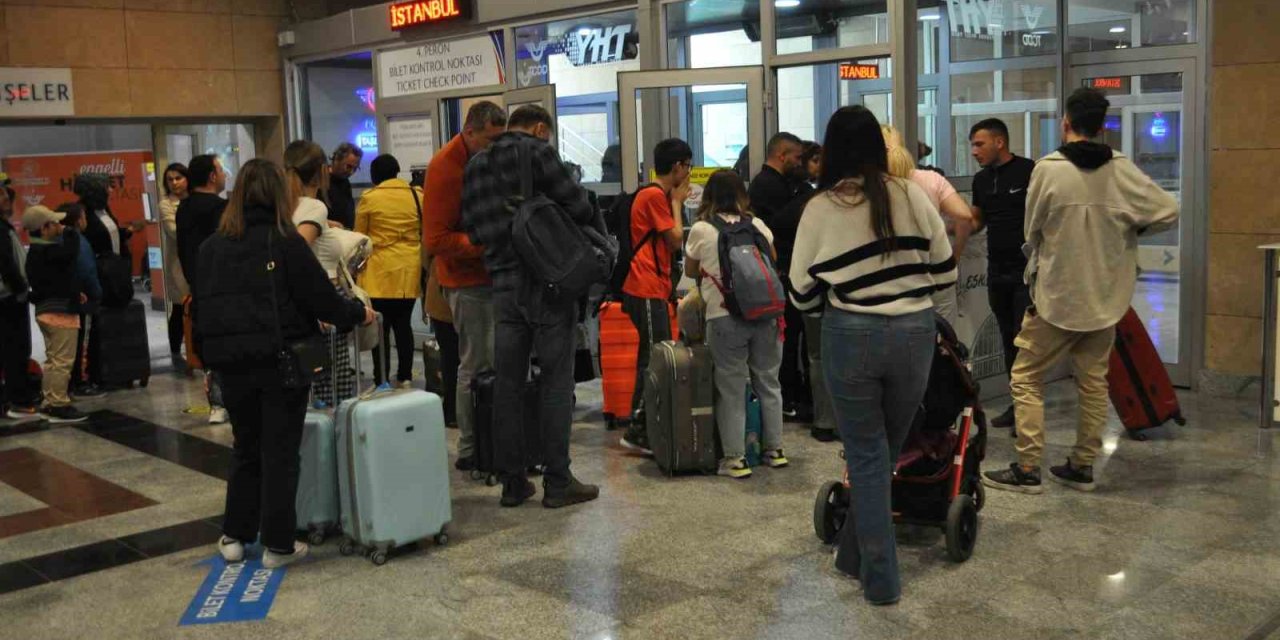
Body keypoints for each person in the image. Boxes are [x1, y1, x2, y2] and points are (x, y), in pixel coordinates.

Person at [789, 106, 956, 605]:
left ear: (832, 149)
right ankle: (850, 554)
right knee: (884, 452)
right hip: (914, 334)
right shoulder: (913, 194)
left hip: (852, 334)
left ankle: (882, 579)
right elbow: (945, 271)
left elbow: (800, 293)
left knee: (865, 455)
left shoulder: (821, 208)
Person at [983, 88, 1179, 494]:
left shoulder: (1049, 169)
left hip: (1057, 296)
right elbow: (1167, 210)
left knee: (1025, 376)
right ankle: (1083, 464)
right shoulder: (1121, 169)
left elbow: (1032, 229)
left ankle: (1028, 467)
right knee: (1093, 382)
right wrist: (1128, 228)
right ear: (1102, 127)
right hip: (1105, 298)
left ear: (1066, 123)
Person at [194, 158, 373, 569]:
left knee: (246, 448)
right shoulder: (285, 241)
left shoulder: (212, 246)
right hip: (281, 362)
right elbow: (320, 300)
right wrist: (355, 313)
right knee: (279, 451)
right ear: (280, 194)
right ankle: (278, 545)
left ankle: (234, 536)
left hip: (230, 362)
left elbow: (203, 308)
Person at [460, 104, 602, 508]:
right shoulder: (538, 152)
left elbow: (472, 229)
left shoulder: (475, 165)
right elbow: (580, 207)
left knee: (508, 383)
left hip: (501, 286)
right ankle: (558, 482)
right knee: (556, 382)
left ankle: (512, 482)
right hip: (546, 285)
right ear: (540, 129)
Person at [684, 170, 788, 478]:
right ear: (742, 195)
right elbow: (772, 259)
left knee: (731, 387)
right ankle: (775, 450)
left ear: (708, 197)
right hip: (767, 314)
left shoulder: (702, 229)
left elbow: (691, 270)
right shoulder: (756, 225)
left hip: (725, 315)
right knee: (769, 382)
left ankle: (735, 459)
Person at [422, 101, 508, 471]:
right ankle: (471, 449)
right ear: (470, 132)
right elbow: (436, 240)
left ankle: (494, 443)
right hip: (467, 282)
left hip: (492, 277)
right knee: (474, 365)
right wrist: (486, 245)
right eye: (489, 140)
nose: (495, 148)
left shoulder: (484, 159)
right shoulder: (445, 168)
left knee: (492, 364)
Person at [617, 138, 691, 454]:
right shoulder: (653, 196)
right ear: (677, 166)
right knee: (654, 358)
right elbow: (675, 240)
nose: (688, 174)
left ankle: (642, 424)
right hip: (644, 285)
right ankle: (639, 429)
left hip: (652, 286)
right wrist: (677, 202)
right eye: (687, 167)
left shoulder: (653, 194)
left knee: (650, 356)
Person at [969, 118, 1035, 431]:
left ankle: (1028, 407)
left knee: (1026, 342)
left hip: (1027, 273)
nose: (974, 151)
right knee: (1008, 339)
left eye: (979, 144)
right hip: (997, 271)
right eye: (972, 145)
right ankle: (1016, 403)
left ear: (1000, 142)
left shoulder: (1029, 171)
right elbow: (976, 221)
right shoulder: (981, 181)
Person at [884, 130, 975, 324]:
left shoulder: (874, 185)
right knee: (943, 341)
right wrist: (954, 256)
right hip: (936, 273)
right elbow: (965, 216)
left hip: (893, 281)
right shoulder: (931, 179)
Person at [748, 132, 808, 422]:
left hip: (788, 270)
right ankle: (786, 396)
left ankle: (792, 394)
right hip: (780, 272)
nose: (801, 163)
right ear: (782, 155)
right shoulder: (766, 186)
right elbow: (778, 225)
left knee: (792, 336)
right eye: (797, 157)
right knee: (785, 337)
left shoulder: (785, 185)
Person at [356, 154, 423, 389]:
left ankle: (381, 377)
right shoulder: (416, 195)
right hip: (408, 269)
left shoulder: (369, 198)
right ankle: (405, 376)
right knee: (403, 325)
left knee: (380, 328)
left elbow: (361, 236)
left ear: (375, 175)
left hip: (379, 270)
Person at [74, 173, 143, 397]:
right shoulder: (82, 213)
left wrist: (127, 232)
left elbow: (111, 235)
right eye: (106, 186)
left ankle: (118, 369)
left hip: (115, 272)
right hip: (98, 275)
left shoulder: (104, 210)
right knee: (92, 328)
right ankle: (91, 375)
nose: (110, 190)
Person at [22, 205, 92, 424]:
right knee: (62, 361)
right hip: (59, 314)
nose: (60, 227)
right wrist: (70, 233)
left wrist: (73, 292)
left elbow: (57, 279)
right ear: (44, 228)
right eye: (55, 224)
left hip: (47, 312)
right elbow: (70, 254)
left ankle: (50, 401)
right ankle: (58, 404)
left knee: (53, 361)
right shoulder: (47, 250)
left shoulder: (36, 252)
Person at [177, 154, 230, 424]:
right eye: (221, 170)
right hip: (225, 290)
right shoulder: (222, 208)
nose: (224, 175)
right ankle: (227, 402)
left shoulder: (183, 208)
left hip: (199, 289)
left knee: (210, 348)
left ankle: (216, 403)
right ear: (211, 176)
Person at [0, 185, 37, 419]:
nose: (7, 199)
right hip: (8, 298)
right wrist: (22, 288)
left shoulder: (5, 227)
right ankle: (17, 401)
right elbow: (7, 265)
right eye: (1, 195)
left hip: (10, 296)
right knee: (15, 349)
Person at [158, 163, 191, 371]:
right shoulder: (165, 204)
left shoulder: (194, 200)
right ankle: (175, 352)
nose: (174, 183)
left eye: (178, 178)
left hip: (197, 260)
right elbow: (174, 231)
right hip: (177, 263)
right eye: (170, 179)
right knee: (180, 306)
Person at [322, 142, 362, 230]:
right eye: (348, 167)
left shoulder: (345, 182)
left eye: (355, 169)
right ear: (337, 159)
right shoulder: (320, 180)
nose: (351, 172)